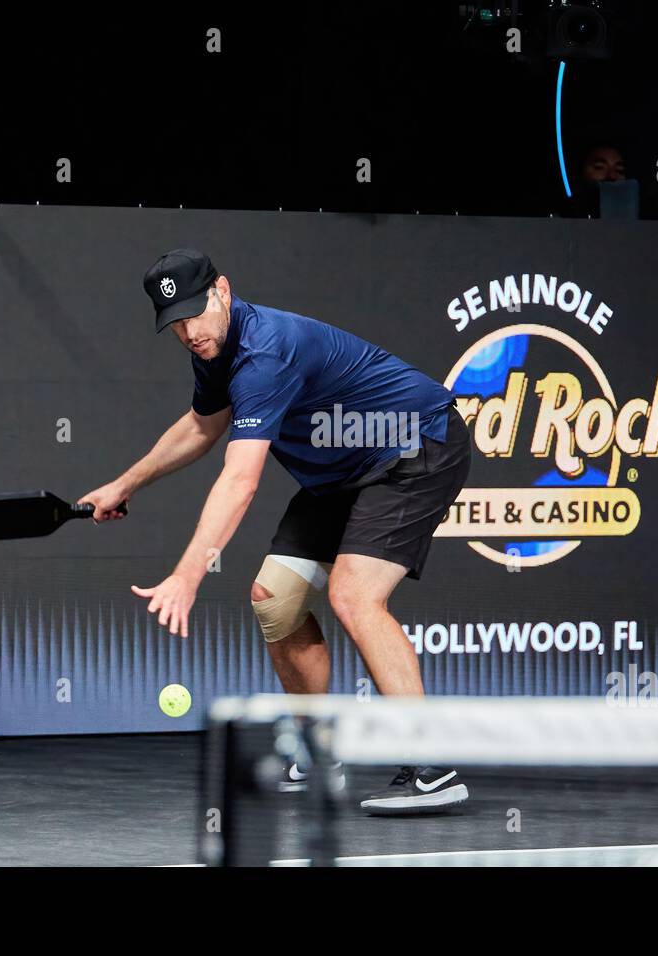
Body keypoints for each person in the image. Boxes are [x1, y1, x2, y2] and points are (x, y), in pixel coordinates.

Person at [80, 249, 472, 813]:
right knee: (276, 600)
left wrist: (187, 575)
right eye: (176, 323)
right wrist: (126, 484)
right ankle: (316, 753)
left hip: (418, 446)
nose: (190, 332)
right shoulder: (214, 347)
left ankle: (432, 766)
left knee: (354, 596)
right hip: (346, 470)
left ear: (223, 290)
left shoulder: (266, 353)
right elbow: (202, 424)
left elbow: (240, 481)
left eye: (196, 312)